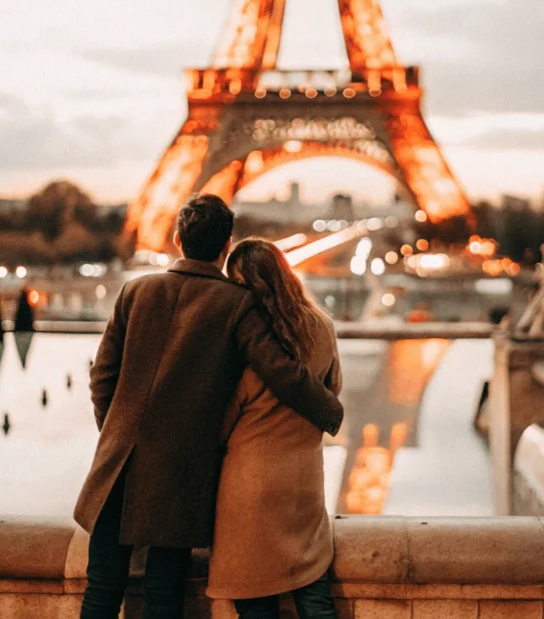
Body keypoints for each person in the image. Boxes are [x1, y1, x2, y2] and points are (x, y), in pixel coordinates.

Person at [74, 195, 344, 619]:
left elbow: (101, 379)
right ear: (226, 244)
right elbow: (278, 370)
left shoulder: (135, 290)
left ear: (179, 239)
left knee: (103, 589)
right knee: (163, 594)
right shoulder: (235, 304)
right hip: (178, 476)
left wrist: (117, 434)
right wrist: (329, 411)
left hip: (117, 468)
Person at [206, 238, 343, 619]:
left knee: (257, 608)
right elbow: (333, 390)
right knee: (315, 598)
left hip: (249, 488)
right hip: (303, 485)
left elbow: (224, 418)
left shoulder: (247, 340)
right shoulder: (322, 327)